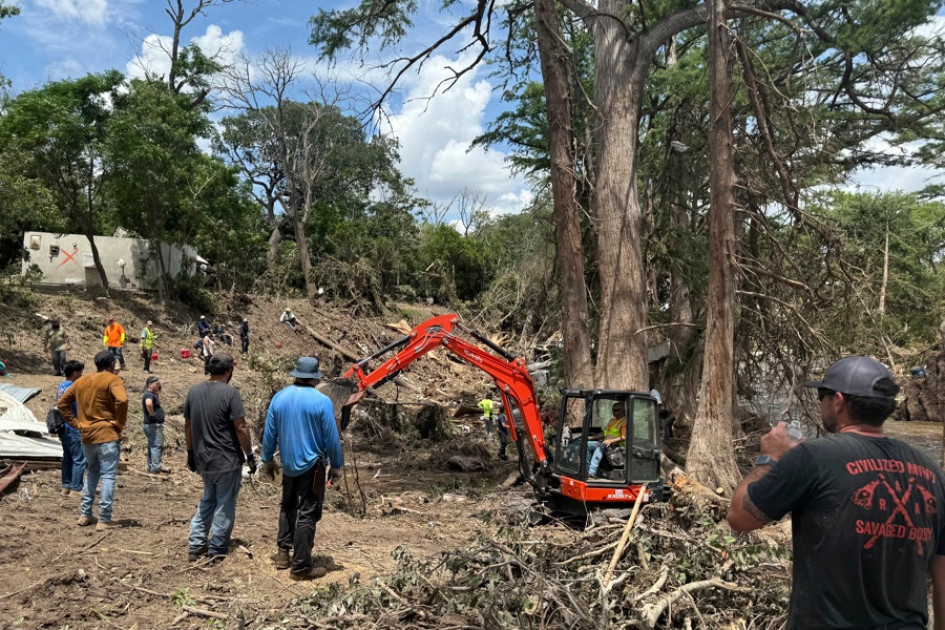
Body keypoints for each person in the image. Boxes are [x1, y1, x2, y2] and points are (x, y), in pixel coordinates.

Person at [727, 356, 945, 629]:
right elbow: (942, 572)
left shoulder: (813, 458)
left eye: (822, 395)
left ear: (839, 401)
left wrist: (769, 459)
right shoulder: (931, 471)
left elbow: (739, 517)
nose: (820, 403)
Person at [260, 357, 343, 580]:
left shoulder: (279, 398)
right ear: (315, 378)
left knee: (287, 506)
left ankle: (282, 554)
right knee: (308, 512)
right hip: (313, 466)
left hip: (288, 464)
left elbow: (269, 434)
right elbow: (332, 438)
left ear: (296, 374)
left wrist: (267, 460)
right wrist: (336, 465)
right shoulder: (322, 401)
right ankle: (301, 567)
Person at [184, 354, 256, 562]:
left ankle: (196, 544)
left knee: (208, 499)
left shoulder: (194, 391)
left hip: (203, 458)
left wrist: (190, 452)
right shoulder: (231, 393)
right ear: (229, 371)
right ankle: (217, 547)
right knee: (224, 503)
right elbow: (241, 427)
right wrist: (249, 455)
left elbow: (188, 425)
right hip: (226, 458)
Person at [58, 350, 128, 530]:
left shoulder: (82, 381)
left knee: (92, 474)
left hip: (87, 435)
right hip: (107, 434)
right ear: (112, 364)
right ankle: (104, 519)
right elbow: (122, 400)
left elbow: (62, 403)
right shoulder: (113, 379)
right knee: (108, 476)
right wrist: (119, 423)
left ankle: (85, 514)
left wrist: (77, 423)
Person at [56, 360, 86, 497]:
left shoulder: (61, 386)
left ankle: (66, 486)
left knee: (67, 457)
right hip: (73, 426)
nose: (82, 375)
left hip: (62, 425)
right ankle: (76, 488)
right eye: (80, 372)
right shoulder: (74, 387)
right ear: (75, 373)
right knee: (79, 458)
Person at [587, 402, 626, 477]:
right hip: (606, 443)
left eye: (617, 410)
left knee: (601, 447)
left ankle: (592, 472)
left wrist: (610, 441)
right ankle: (586, 469)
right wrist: (591, 438)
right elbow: (604, 433)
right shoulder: (612, 421)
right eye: (613, 410)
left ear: (623, 410)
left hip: (617, 446)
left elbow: (623, 437)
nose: (614, 412)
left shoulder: (625, 422)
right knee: (586, 445)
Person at [142, 375, 167, 474]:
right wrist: (153, 415)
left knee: (152, 446)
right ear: (150, 384)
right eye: (156, 384)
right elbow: (148, 404)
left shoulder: (152, 394)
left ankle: (150, 467)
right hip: (153, 425)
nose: (158, 385)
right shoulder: (148, 394)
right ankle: (155, 469)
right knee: (156, 446)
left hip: (151, 425)